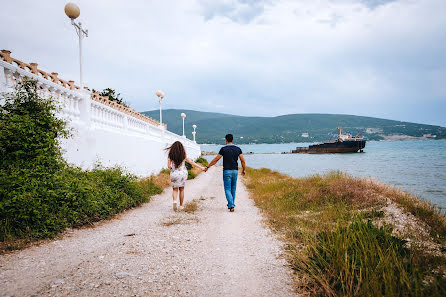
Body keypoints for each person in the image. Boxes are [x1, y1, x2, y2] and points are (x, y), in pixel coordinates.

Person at [206, 134, 246, 212]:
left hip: (227, 171)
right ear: (232, 140)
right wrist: (244, 169)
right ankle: (231, 205)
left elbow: (216, 159)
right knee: (233, 188)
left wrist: (208, 166)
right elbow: (242, 160)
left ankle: (231, 205)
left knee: (227, 189)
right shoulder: (238, 149)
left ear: (226, 140)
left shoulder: (223, 149)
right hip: (235, 171)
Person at [166, 141, 206, 211]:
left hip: (174, 174)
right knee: (181, 189)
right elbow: (192, 162)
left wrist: (173, 168)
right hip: (182, 174)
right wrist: (201, 168)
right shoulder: (183, 155)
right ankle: (181, 206)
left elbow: (169, 166)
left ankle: (175, 201)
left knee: (175, 189)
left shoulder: (170, 155)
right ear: (182, 148)